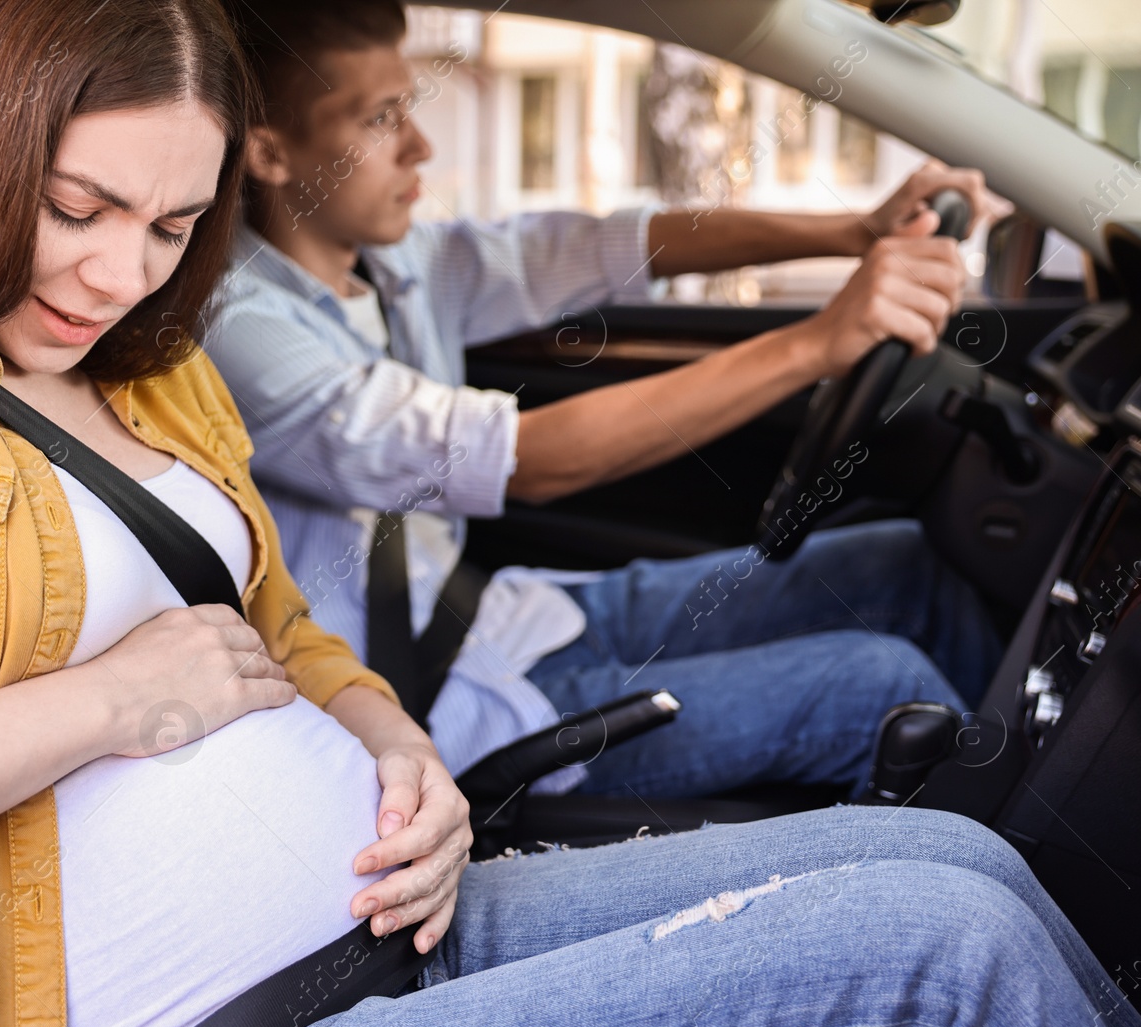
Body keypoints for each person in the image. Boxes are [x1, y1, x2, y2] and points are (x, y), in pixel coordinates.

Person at [0, 2, 1141, 1027]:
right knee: (950, 949)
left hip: (405, 913)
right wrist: (99, 706)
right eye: (77, 205)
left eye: (174, 226)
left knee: (958, 854)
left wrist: (391, 741)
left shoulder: (150, 362)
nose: (121, 271)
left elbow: (286, 631)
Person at [205, 0, 1005, 800]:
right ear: (271, 153)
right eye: (380, 119)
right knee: (882, 685)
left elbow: (605, 245)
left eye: (410, 106)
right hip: (425, 709)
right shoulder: (239, 333)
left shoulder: (394, 264)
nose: (421, 144)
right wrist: (818, 342)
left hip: (495, 618)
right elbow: (529, 459)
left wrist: (849, 233)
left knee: (901, 566)